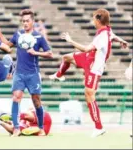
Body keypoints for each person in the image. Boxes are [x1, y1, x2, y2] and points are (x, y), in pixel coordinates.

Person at [48, 8, 129, 137]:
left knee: (89, 94)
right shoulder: (107, 30)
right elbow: (113, 36)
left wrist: (70, 40)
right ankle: (59, 75)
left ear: (98, 20)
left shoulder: (102, 36)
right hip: (89, 58)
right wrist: (121, 41)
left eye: (93, 18)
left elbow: (85, 49)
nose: (92, 20)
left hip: (94, 67)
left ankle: (99, 127)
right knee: (66, 57)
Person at [0, 9, 54, 137]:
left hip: (33, 74)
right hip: (19, 73)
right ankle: (17, 128)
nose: (25, 23)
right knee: (16, 97)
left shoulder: (39, 37)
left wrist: (36, 53)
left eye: (27, 21)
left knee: (36, 101)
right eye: (23, 21)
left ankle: (41, 128)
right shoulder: (18, 34)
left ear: (32, 22)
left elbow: (50, 53)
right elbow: (7, 45)